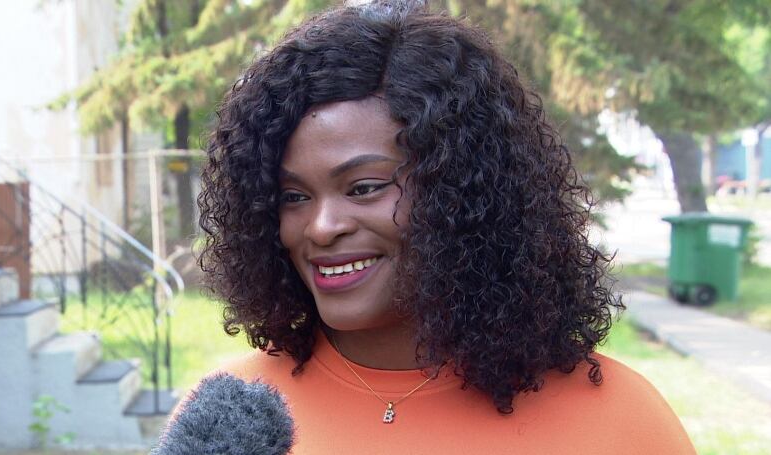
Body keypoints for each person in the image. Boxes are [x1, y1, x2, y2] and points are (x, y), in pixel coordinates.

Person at [196, 0, 696, 453]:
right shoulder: (229, 422)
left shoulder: (618, 424)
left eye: (365, 187)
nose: (322, 228)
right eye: (294, 197)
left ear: (465, 193)